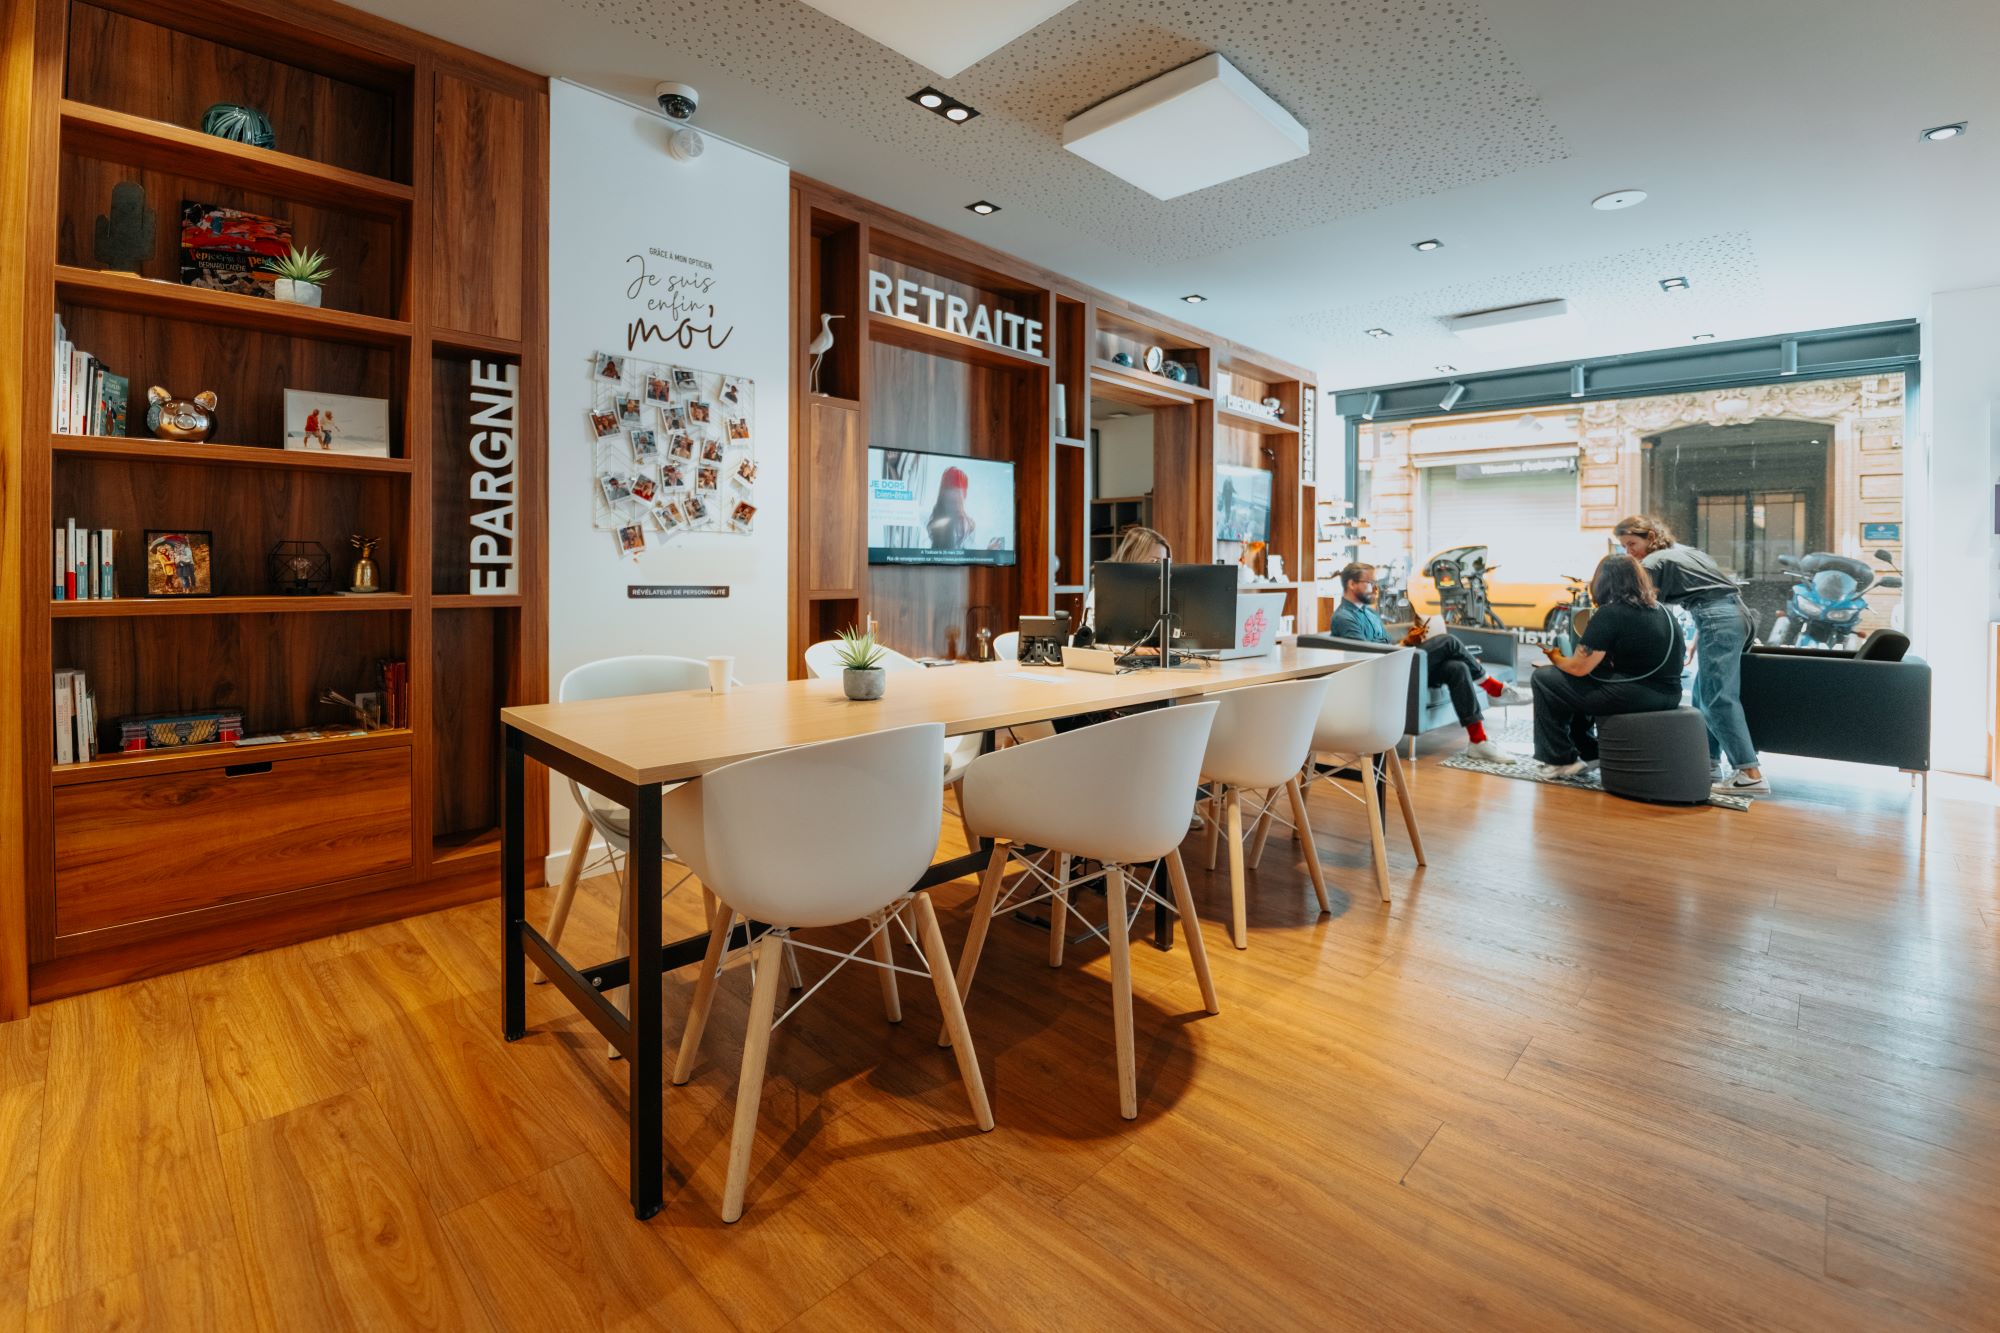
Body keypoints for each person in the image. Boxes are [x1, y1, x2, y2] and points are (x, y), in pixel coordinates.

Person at [1612, 514, 1767, 795]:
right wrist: (1698, 638)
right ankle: (1708, 763)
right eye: (1623, 546)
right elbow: (1713, 592)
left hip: (1717, 620)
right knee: (1703, 694)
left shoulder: (1652, 562)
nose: (1628, 551)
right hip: (1738, 616)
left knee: (1717, 698)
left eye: (1631, 543)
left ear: (1650, 538)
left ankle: (1750, 773)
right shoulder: (1685, 551)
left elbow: (1638, 607)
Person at [1327, 562, 1524, 763]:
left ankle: (1478, 741)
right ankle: (1493, 688)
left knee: (1458, 668)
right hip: (1382, 675)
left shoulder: (1369, 613)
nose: (1375, 588)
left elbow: (1385, 644)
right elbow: (1366, 655)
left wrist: (1406, 642)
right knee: (1448, 642)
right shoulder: (1344, 618)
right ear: (1352, 584)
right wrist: (1402, 647)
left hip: (1396, 665)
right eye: (1369, 583)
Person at [1531, 553, 1684, 775]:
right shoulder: (1662, 611)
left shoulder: (1610, 613)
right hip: (1670, 695)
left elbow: (1578, 667)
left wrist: (1555, 657)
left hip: (1637, 695)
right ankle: (1588, 752)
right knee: (1582, 681)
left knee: (1545, 679)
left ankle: (1561, 758)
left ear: (1602, 582)